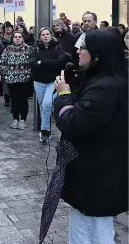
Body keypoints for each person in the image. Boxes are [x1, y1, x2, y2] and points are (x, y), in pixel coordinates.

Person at [52, 29, 127, 244]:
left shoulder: (106, 87)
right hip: (91, 172)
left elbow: (73, 122)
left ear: (97, 55)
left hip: (97, 176)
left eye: (84, 48)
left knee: (94, 232)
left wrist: (64, 94)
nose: (78, 52)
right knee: (85, 229)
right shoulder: (101, 80)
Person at [30, 27, 65, 142]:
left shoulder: (57, 47)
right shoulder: (36, 49)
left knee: (46, 104)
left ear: (51, 35)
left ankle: (45, 131)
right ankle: (47, 125)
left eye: (47, 34)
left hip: (52, 81)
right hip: (39, 82)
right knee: (43, 106)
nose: (45, 36)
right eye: (43, 34)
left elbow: (60, 62)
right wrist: (49, 64)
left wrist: (43, 62)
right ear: (40, 37)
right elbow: (33, 63)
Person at [0, 31, 33, 130]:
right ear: (12, 38)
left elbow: (32, 63)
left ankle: (23, 120)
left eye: (19, 37)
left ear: (23, 38)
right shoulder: (7, 49)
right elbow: (2, 62)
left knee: (23, 100)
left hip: (25, 80)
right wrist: (6, 74)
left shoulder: (29, 49)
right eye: (15, 37)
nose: (17, 38)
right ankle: (15, 119)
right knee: (14, 100)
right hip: (11, 79)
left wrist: (29, 74)